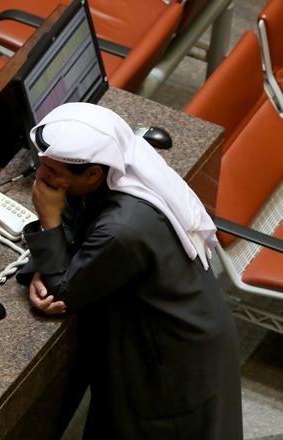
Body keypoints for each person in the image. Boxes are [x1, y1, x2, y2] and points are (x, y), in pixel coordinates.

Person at [16, 102, 243, 439]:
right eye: (42, 166)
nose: (41, 179)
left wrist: (47, 220)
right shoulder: (114, 172)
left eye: (52, 174)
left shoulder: (123, 228)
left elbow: (65, 291)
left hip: (170, 363)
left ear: (91, 174)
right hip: (175, 332)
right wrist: (48, 261)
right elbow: (77, 232)